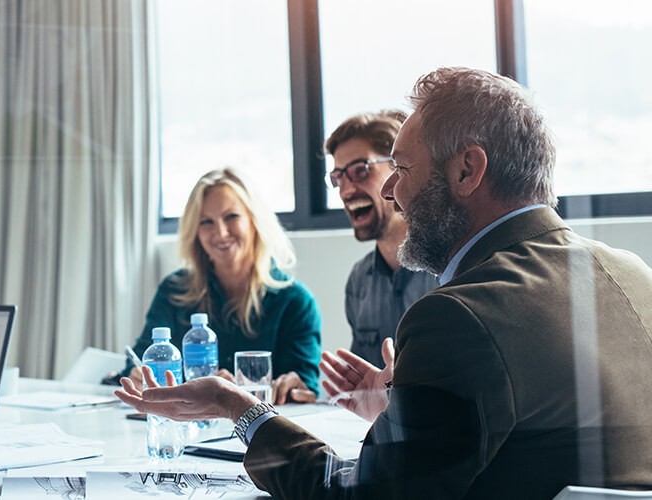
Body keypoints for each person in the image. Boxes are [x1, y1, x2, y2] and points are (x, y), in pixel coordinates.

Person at [115, 67, 652, 498]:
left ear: (468, 171)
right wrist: (403, 403)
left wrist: (241, 408)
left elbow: (355, 495)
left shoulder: (458, 315)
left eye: (402, 168)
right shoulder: (634, 273)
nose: (392, 191)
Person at [127, 168, 322, 404]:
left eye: (231, 217)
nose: (220, 232)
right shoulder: (174, 291)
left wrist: (293, 386)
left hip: (262, 433)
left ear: (254, 220)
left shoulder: (295, 302)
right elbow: (138, 359)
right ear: (195, 232)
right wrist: (137, 375)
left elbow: (305, 384)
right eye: (206, 222)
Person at [326, 110, 437, 368]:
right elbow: (363, 384)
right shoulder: (359, 281)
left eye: (360, 170)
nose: (346, 191)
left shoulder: (449, 271)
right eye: (338, 177)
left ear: (400, 170)